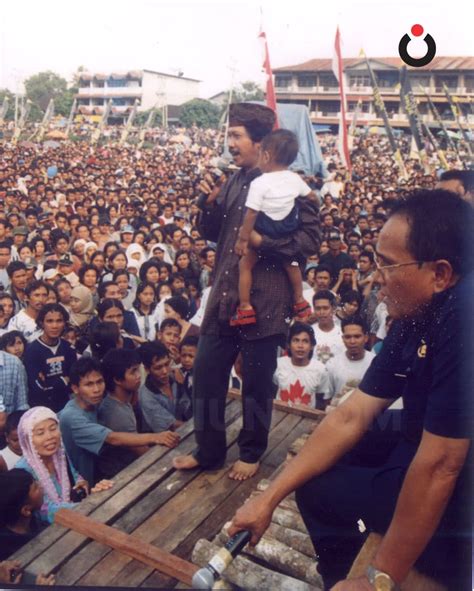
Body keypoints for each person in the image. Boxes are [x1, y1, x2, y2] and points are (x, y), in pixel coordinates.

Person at [228, 190, 473, 590]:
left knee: (318, 489)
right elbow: (350, 414)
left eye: (389, 265)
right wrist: (268, 498)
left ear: (441, 273)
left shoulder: (464, 317)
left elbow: (442, 464)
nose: (377, 277)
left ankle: (343, 579)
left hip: (459, 480)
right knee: (329, 451)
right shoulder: (418, 309)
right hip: (422, 436)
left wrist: (380, 577)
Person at [173, 103, 320, 480]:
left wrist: (262, 243)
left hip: (266, 301)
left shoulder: (293, 187)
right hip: (224, 294)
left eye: (236, 136)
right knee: (206, 376)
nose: (230, 144)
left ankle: (251, 452)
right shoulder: (234, 180)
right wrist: (205, 203)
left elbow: (309, 241)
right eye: (229, 135)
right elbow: (212, 232)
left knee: (255, 384)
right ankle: (208, 452)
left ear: (262, 144)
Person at [232, 129, 315, 325]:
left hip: (264, 230)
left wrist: (243, 239)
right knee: (292, 264)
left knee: (245, 265)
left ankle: (245, 307)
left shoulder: (260, 182)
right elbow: (311, 196)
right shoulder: (295, 179)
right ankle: (299, 300)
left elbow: (251, 213)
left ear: (266, 156)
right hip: (287, 231)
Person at [59, 357, 180, 486]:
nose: (96, 389)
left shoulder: (94, 403)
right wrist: (156, 437)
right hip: (83, 482)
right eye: (89, 384)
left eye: (99, 382)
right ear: (75, 388)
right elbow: (112, 438)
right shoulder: (72, 416)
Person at [16, 407, 113, 524]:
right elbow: (41, 509)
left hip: (76, 516)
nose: (50, 436)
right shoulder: (23, 471)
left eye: (53, 429)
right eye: (40, 433)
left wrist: (81, 484)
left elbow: (74, 475)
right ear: (27, 440)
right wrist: (88, 506)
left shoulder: (60, 453)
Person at [97, 349, 179, 479]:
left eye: (138, 369)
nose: (139, 375)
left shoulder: (123, 400)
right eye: (133, 372)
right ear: (118, 380)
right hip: (123, 476)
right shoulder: (115, 413)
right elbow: (145, 453)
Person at [0, 470, 55, 585]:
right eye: (35, 487)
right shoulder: (7, 550)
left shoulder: (35, 520)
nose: (40, 485)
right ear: (26, 510)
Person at [23, 304, 77, 412]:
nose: (55, 326)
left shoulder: (68, 348)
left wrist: (51, 382)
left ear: (64, 323)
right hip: (42, 407)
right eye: (50, 321)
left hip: (67, 404)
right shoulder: (32, 350)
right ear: (41, 323)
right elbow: (37, 387)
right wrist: (63, 380)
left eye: (59, 321)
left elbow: (74, 379)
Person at [273, 323, 329, 409]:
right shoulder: (278, 365)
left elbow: (321, 401)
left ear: (312, 346)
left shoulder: (320, 369)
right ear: (288, 344)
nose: (300, 346)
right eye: (296, 340)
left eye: (305, 341)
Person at [139, 341, 192, 432]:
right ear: (147, 369)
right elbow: (172, 426)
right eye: (158, 368)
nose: (164, 371)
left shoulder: (176, 377)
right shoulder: (146, 396)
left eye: (167, 364)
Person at [325, 316, 375, 408]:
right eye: (348, 337)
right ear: (343, 338)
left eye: (357, 336)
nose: (352, 341)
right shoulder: (332, 364)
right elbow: (328, 398)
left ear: (366, 338)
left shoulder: (375, 363)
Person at [311, 290, 345, 364]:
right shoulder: (309, 332)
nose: (322, 312)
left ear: (333, 309)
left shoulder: (343, 333)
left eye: (325, 308)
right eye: (318, 308)